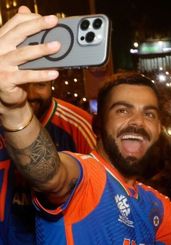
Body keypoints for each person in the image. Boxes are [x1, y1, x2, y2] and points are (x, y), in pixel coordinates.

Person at [0, 5, 171, 245]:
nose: (138, 122)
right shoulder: (86, 177)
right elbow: (49, 175)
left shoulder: (153, 205)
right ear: (98, 124)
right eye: (123, 110)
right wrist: (13, 108)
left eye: (150, 114)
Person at [0, 10, 96, 245]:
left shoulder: (78, 123)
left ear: (53, 82)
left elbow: (98, 186)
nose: (30, 94)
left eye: (40, 84)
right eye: (23, 83)